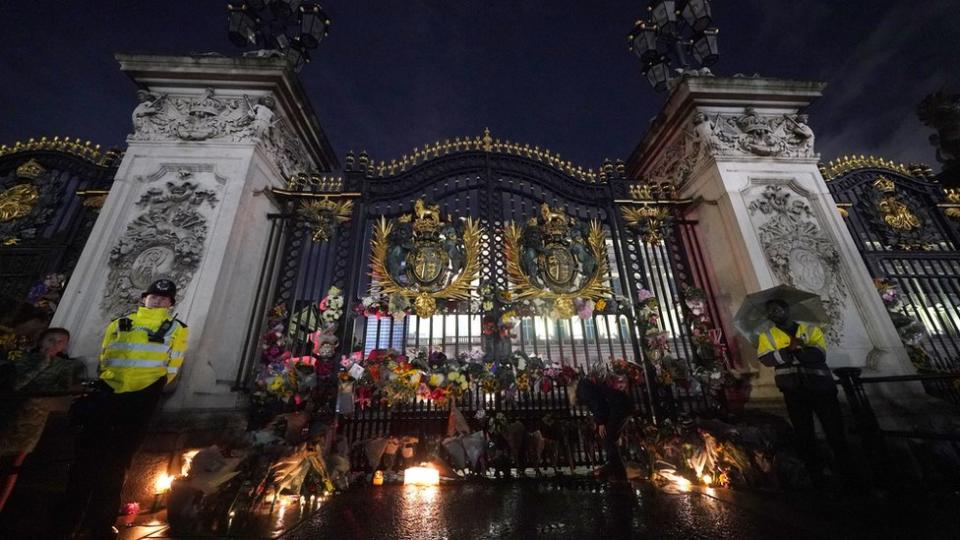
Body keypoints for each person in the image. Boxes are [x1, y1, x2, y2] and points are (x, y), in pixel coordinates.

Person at [59, 279, 188, 539]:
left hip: (141, 398)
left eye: (163, 299)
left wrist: (152, 384)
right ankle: (67, 519)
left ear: (171, 303)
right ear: (144, 299)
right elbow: (105, 355)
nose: (158, 301)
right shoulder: (120, 323)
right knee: (86, 458)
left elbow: (173, 365)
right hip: (109, 394)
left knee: (117, 462)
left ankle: (99, 522)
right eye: (153, 297)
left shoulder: (177, 329)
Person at [757, 298, 858, 490]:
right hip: (793, 391)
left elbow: (819, 355)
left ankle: (849, 476)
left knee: (835, 432)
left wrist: (797, 351)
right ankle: (816, 478)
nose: (773, 314)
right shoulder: (767, 336)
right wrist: (789, 350)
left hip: (822, 388)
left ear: (787, 309)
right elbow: (766, 359)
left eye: (776, 309)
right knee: (805, 435)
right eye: (770, 312)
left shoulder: (810, 330)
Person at [0, 327, 82, 511]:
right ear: (41, 341)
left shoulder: (65, 366)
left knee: (14, 464)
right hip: (9, 412)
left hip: (33, 419)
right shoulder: (23, 359)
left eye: (61, 342)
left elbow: (65, 392)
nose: (55, 345)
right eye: (51, 340)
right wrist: (40, 366)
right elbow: (15, 385)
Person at [575, 370, 634, 483]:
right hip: (622, 406)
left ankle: (618, 473)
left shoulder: (583, 389)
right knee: (611, 439)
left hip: (618, 407)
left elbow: (597, 403)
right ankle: (615, 468)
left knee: (607, 439)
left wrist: (601, 422)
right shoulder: (586, 385)